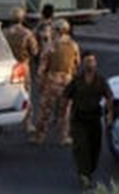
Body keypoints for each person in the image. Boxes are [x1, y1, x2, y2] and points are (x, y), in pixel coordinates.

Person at [63, 51, 113, 187]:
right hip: (79, 119)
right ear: (83, 64)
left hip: (94, 119)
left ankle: (89, 171)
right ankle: (84, 176)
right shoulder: (76, 80)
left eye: (92, 61)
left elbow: (109, 96)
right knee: (81, 147)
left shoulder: (100, 80)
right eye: (87, 61)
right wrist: (65, 116)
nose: (90, 64)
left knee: (95, 148)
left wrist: (109, 114)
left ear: (95, 63)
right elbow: (66, 97)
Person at [32, 18, 80, 146]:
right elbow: (76, 65)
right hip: (67, 81)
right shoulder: (74, 45)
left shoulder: (50, 46)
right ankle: (64, 137)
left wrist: (40, 83)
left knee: (45, 111)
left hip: (52, 82)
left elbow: (42, 68)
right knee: (65, 112)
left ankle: (39, 136)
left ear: (57, 31)